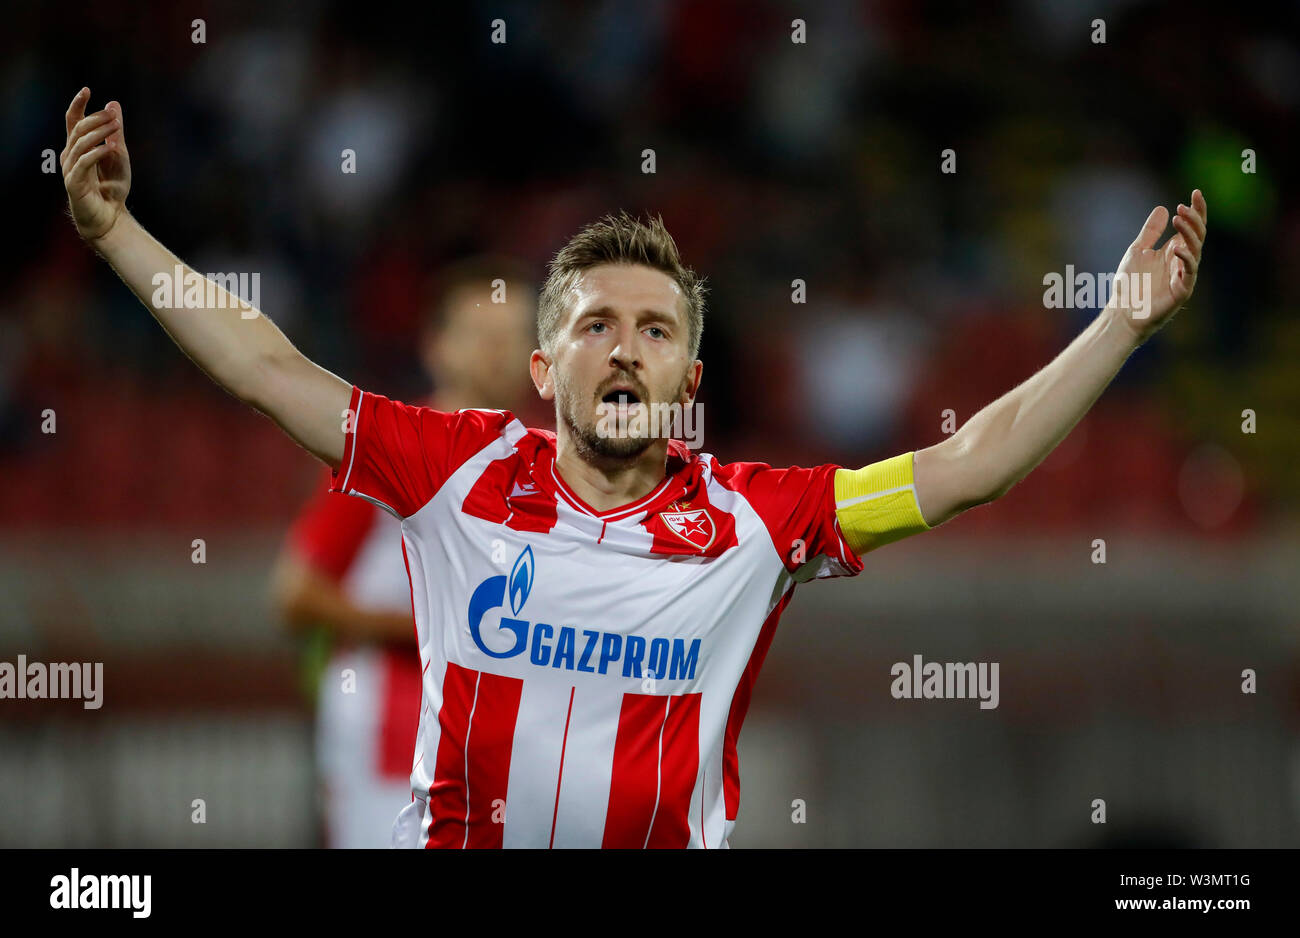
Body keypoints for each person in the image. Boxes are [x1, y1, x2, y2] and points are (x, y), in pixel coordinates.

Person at [60, 89, 1207, 847]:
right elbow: (266, 366)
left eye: (655, 330)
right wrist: (118, 234)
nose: (625, 345)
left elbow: (967, 466)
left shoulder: (758, 519)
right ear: (545, 363)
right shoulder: (452, 465)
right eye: (598, 324)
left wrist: (1113, 325)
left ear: (688, 380)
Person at [270, 259, 539, 848]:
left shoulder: (542, 469)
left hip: (500, 744)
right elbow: (294, 594)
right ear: (437, 345)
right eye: (483, 336)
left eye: (515, 337)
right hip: (386, 734)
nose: (501, 353)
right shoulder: (382, 451)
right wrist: (427, 624)